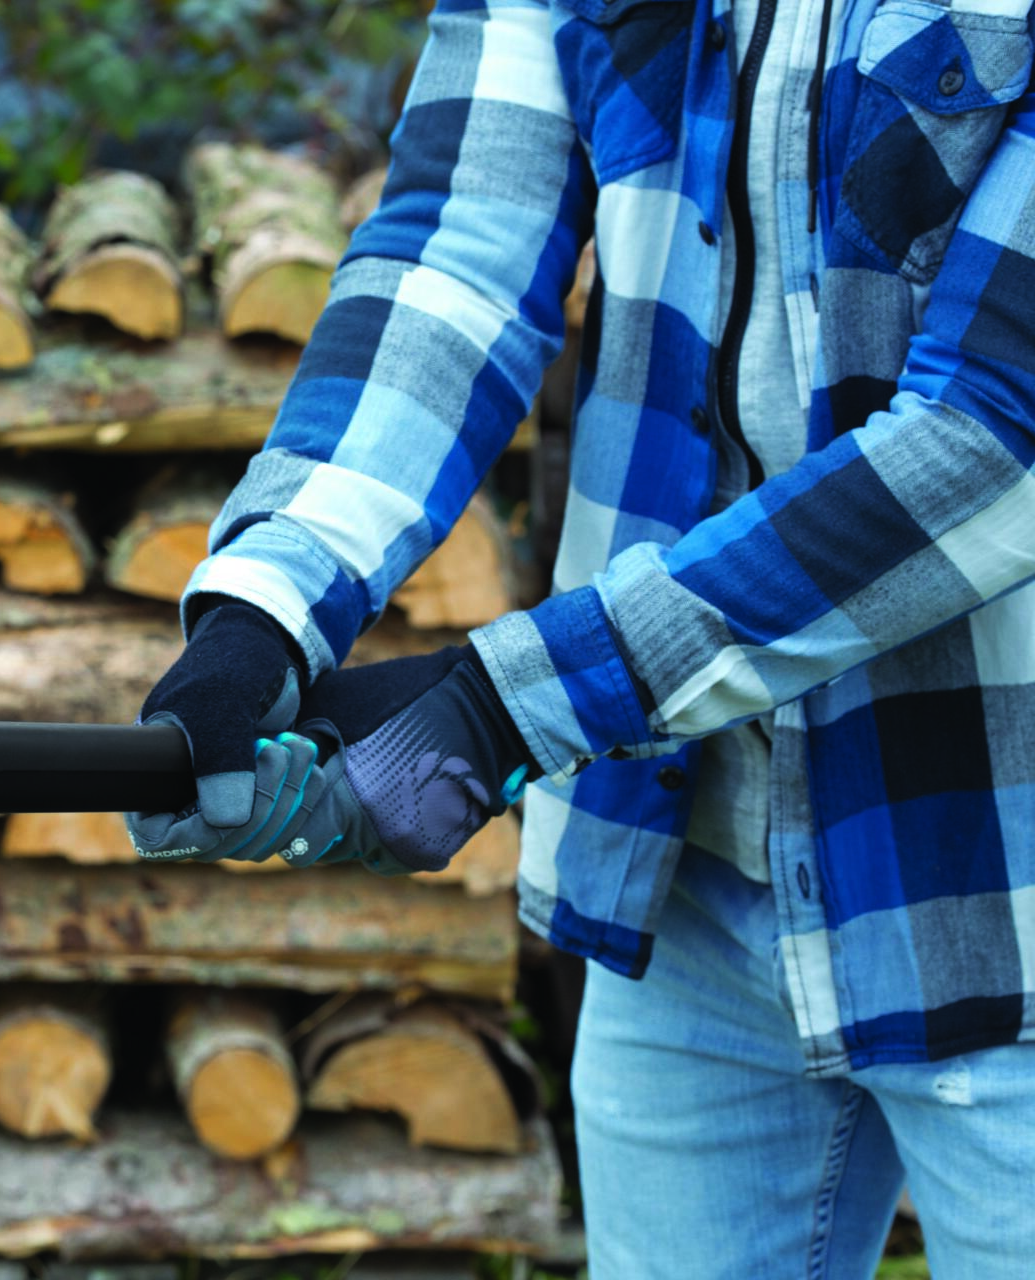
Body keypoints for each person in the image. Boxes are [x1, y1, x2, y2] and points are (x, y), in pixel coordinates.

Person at [129, 0, 1035, 1273]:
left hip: (1005, 870)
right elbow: (457, 247)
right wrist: (262, 611)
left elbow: (997, 428)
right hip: (693, 867)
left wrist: (508, 701)